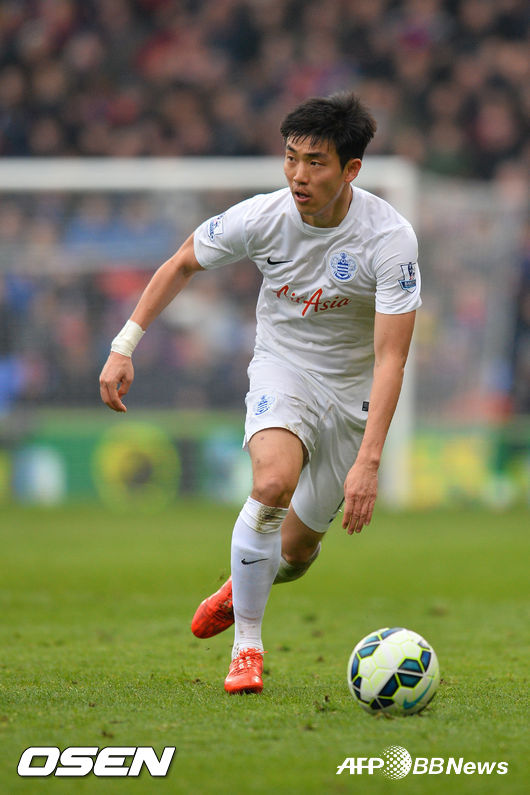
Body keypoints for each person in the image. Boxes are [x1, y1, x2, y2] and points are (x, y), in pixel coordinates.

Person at [99, 92, 421, 694]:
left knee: (294, 556)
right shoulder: (262, 216)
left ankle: (240, 583)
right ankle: (247, 648)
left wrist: (369, 462)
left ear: (351, 169)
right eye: (291, 157)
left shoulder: (389, 239)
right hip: (284, 368)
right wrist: (124, 345)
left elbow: (391, 357)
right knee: (271, 485)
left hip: (353, 394)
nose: (299, 174)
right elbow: (182, 262)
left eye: (316, 162)